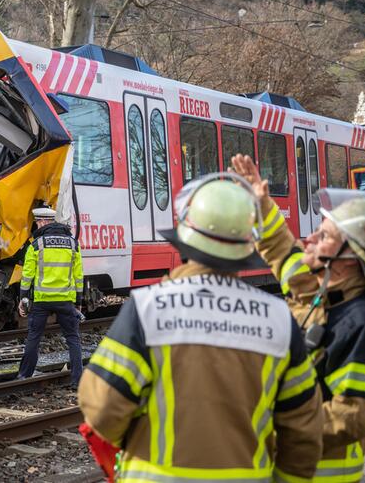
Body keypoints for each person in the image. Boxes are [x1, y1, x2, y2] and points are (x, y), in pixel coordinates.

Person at [78, 174, 323, 483]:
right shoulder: (278, 319)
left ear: (184, 238)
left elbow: (101, 411)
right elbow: (303, 428)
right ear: (247, 246)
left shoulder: (147, 309)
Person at [231, 154, 365, 482]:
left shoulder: (362, 322)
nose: (311, 239)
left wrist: (281, 431)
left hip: (320, 472)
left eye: (324, 236)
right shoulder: (322, 293)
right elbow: (284, 253)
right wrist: (262, 205)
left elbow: (360, 412)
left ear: (349, 258)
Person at [16, 207, 85, 387]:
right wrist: (78, 303)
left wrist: (23, 300)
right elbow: (78, 277)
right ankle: (77, 380)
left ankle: (24, 376)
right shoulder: (73, 244)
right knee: (73, 338)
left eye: (38, 222)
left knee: (34, 337)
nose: (37, 225)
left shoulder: (36, 245)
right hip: (65, 301)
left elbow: (27, 276)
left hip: (41, 302)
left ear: (44, 222)